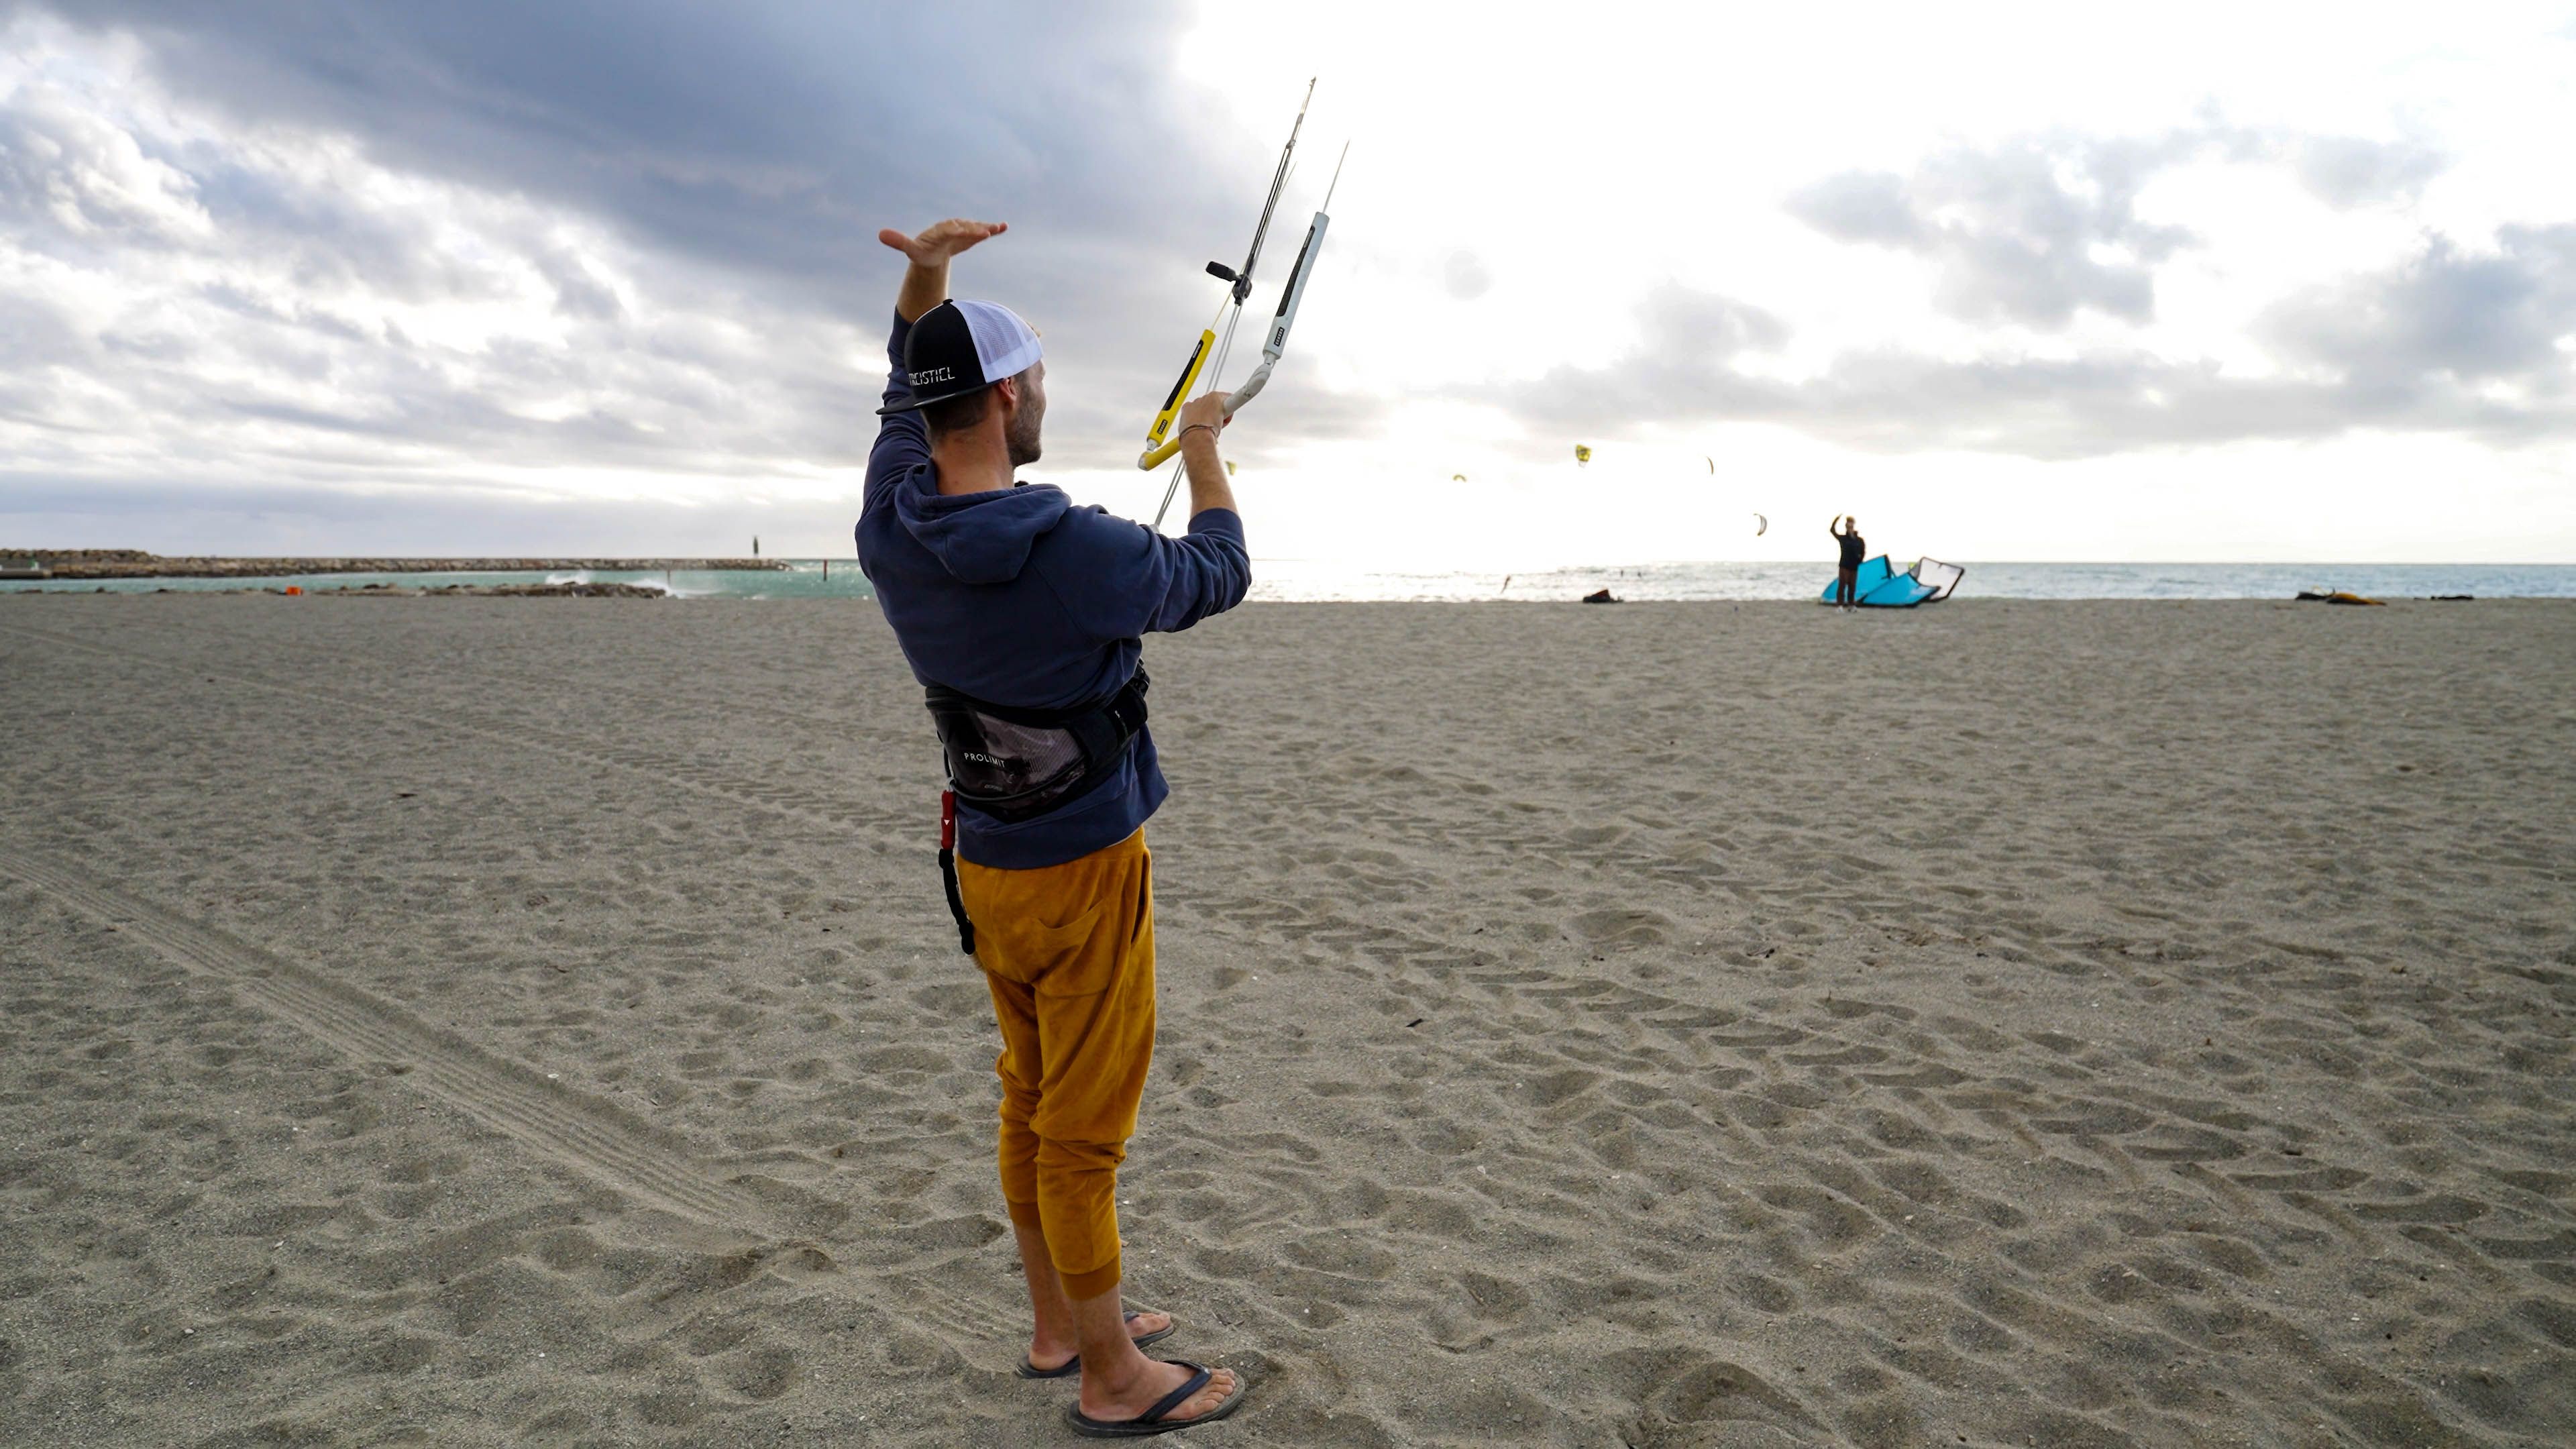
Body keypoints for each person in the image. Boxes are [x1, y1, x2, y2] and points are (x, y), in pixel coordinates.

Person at [855, 217, 1251, 1437]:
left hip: (985, 861)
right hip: (1081, 868)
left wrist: (927, 280)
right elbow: (1217, 571)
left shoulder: (893, 515)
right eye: (1039, 385)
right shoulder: (1074, 547)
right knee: (1081, 1133)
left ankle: (1057, 1324)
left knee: (1031, 1095)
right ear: (1016, 393)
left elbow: (897, 395)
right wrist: (1202, 448)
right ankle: (1109, 1376)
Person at [1831, 515, 1866, 610]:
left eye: (1851, 526)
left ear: (1853, 526)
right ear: (1846, 527)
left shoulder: (1859, 540)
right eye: (1848, 526)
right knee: (1842, 586)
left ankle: (1851, 605)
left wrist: (1860, 560)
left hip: (1854, 567)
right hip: (1844, 566)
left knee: (1852, 587)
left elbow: (1863, 551)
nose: (1850, 528)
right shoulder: (1843, 539)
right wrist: (1836, 520)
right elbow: (1832, 531)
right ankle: (1840, 606)